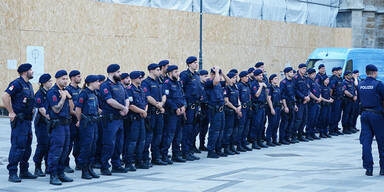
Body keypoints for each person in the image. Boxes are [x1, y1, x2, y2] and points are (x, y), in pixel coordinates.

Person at [2, 63, 37, 183]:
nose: (32, 71)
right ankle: (12, 172)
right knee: (18, 146)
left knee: (27, 147)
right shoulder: (16, 83)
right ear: (24, 72)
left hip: (27, 121)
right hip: (20, 121)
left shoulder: (29, 85)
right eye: (30, 70)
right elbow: (5, 96)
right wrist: (11, 112)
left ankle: (24, 171)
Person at [99, 64, 129, 175]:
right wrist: (123, 108)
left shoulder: (120, 84)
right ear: (112, 73)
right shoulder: (105, 85)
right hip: (110, 120)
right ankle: (104, 166)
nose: (120, 74)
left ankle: (116, 164)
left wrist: (125, 108)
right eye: (118, 72)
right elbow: (109, 101)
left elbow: (126, 98)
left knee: (119, 143)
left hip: (120, 118)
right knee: (109, 143)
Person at [47, 70, 74, 185]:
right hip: (57, 125)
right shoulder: (52, 92)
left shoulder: (65, 91)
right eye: (63, 79)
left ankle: (61, 173)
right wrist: (63, 98)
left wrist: (69, 97)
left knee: (65, 150)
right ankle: (53, 175)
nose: (66, 81)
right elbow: (56, 109)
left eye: (66, 79)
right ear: (57, 79)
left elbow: (71, 109)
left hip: (66, 124)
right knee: (56, 150)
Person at [357, 64, 384, 176]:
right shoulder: (378, 84)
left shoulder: (360, 84)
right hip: (377, 115)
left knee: (366, 143)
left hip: (364, 115)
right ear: (374, 72)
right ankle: (383, 168)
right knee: (381, 142)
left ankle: (368, 168)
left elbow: (358, 100)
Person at [75, 75, 101, 179]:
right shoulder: (84, 93)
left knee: (93, 146)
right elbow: (78, 109)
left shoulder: (94, 93)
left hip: (94, 123)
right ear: (91, 83)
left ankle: (90, 168)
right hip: (86, 124)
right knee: (86, 147)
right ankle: (84, 170)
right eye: (97, 82)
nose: (99, 83)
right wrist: (79, 120)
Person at [161, 65, 187, 163]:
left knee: (178, 135)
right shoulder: (167, 83)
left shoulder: (179, 83)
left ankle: (176, 154)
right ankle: (164, 155)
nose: (178, 73)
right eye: (176, 72)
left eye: (178, 71)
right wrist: (175, 108)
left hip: (180, 113)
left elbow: (183, 96)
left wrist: (184, 106)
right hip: (171, 113)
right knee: (169, 135)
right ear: (170, 73)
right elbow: (167, 99)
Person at [142, 64, 167, 166]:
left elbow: (164, 94)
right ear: (151, 71)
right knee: (149, 137)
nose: (159, 71)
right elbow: (147, 97)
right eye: (157, 70)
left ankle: (156, 157)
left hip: (159, 114)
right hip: (151, 113)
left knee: (158, 136)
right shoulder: (145, 82)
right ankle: (145, 158)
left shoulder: (160, 81)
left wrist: (162, 103)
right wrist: (159, 106)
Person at [205, 67, 231, 158]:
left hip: (221, 110)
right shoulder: (209, 82)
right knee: (214, 131)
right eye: (217, 74)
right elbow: (215, 81)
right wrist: (216, 72)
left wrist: (222, 73)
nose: (219, 76)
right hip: (214, 110)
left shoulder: (219, 83)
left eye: (219, 74)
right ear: (212, 74)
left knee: (221, 130)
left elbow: (229, 82)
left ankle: (218, 149)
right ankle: (211, 150)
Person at [180, 56, 202, 161]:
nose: (196, 64)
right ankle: (185, 151)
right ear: (189, 64)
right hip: (188, 106)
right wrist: (183, 105)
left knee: (193, 129)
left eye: (197, 62)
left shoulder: (197, 75)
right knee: (187, 129)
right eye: (194, 63)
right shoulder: (185, 75)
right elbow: (181, 90)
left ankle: (190, 149)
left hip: (196, 106)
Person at [125, 71, 148, 170]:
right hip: (133, 119)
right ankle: (129, 163)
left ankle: (139, 161)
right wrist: (142, 111)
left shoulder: (141, 89)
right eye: (139, 78)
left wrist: (145, 111)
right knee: (132, 141)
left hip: (141, 118)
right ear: (134, 79)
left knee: (142, 140)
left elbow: (146, 102)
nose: (141, 79)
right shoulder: (129, 90)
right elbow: (131, 105)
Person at [33, 73, 53, 177]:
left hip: (49, 123)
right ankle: (37, 167)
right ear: (44, 83)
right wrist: (52, 117)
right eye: (49, 81)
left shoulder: (50, 92)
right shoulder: (39, 94)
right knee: (42, 145)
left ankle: (48, 167)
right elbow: (42, 110)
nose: (51, 83)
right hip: (41, 123)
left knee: (49, 145)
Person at [64, 70, 82, 172]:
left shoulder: (80, 90)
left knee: (79, 143)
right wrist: (79, 116)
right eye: (78, 76)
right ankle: (65, 164)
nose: (80, 78)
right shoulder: (68, 90)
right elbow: (71, 109)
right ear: (72, 78)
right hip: (71, 121)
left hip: (79, 121)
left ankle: (78, 163)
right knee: (68, 144)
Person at [223, 72, 241, 155]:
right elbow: (226, 102)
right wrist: (234, 108)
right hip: (230, 111)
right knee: (229, 130)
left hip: (236, 110)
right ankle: (226, 147)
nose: (235, 79)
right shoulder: (226, 88)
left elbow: (238, 98)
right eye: (233, 78)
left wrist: (239, 107)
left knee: (235, 130)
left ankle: (232, 146)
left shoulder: (235, 87)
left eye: (235, 77)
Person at [250, 69, 268, 149]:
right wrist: (261, 86)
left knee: (261, 125)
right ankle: (254, 142)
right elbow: (256, 95)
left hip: (262, 106)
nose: (261, 77)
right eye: (260, 75)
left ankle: (259, 140)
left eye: (262, 75)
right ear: (255, 76)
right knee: (256, 125)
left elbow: (265, 95)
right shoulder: (254, 84)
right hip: (257, 107)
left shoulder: (262, 83)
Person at [279, 67, 298, 145]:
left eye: (292, 72)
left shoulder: (293, 82)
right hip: (286, 104)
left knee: (291, 121)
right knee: (285, 122)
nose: (292, 73)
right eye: (290, 72)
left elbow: (293, 94)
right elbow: (282, 95)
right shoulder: (283, 82)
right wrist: (285, 106)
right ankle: (282, 138)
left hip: (292, 103)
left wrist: (295, 104)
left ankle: (288, 137)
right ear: (286, 73)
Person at [294, 64, 310, 142]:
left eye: (305, 68)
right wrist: (303, 97)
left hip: (305, 101)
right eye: (303, 68)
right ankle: (294, 135)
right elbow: (296, 90)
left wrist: (307, 97)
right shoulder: (296, 78)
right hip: (299, 101)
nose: (304, 70)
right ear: (299, 69)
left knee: (304, 119)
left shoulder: (305, 78)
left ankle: (300, 135)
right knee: (298, 119)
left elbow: (308, 89)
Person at [237, 71, 252, 152]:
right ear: (241, 77)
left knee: (246, 127)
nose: (247, 78)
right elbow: (238, 97)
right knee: (241, 127)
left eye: (247, 76)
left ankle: (243, 142)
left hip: (248, 108)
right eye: (246, 77)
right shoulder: (239, 86)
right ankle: (239, 144)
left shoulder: (247, 85)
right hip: (242, 108)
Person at [266, 74, 282, 146]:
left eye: (277, 78)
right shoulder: (270, 87)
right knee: (271, 123)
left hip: (278, 107)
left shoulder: (277, 88)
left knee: (276, 124)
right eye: (275, 78)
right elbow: (268, 98)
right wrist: (272, 108)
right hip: (273, 107)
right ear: (271, 80)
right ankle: (268, 140)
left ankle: (274, 139)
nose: (276, 80)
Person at [306, 68, 321, 140]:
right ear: (309, 74)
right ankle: (308, 133)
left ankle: (313, 133)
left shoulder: (315, 81)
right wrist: (316, 98)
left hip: (317, 102)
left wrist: (320, 97)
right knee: (311, 119)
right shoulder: (308, 81)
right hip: (312, 102)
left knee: (315, 119)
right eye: (313, 73)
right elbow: (309, 92)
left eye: (315, 73)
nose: (314, 74)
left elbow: (319, 90)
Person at [329, 67, 344, 136]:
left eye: (341, 70)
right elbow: (331, 89)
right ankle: (332, 130)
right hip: (335, 99)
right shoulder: (334, 79)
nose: (341, 72)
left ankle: (335, 128)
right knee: (334, 115)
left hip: (340, 99)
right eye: (339, 71)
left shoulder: (340, 79)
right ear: (337, 71)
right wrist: (331, 97)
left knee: (338, 115)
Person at [198, 70, 209, 151]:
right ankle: (192, 145)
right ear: (200, 76)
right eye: (205, 76)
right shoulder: (198, 85)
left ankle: (202, 144)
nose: (206, 78)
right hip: (200, 107)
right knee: (197, 128)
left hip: (207, 108)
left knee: (205, 128)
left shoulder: (206, 85)